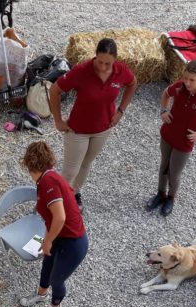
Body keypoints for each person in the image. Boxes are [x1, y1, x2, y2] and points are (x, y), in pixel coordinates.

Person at [49, 38, 137, 208]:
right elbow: (55, 90)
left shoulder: (121, 70)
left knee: (86, 164)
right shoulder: (82, 71)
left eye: (108, 64)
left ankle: (75, 193)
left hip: (103, 129)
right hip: (77, 130)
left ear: (115, 60)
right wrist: (58, 120)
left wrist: (121, 111)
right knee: (70, 171)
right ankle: (58, 204)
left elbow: (132, 83)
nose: (103, 67)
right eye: (100, 62)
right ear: (95, 56)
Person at [18, 141, 88, 307]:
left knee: (58, 278)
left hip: (74, 242)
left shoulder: (48, 182)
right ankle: (41, 295)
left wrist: (48, 241)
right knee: (47, 265)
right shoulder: (48, 177)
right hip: (59, 236)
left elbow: (60, 217)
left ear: (30, 164)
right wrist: (48, 239)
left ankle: (55, 306)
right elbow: (51, 218)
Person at [145, 60, 196, 217]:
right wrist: (163, 110)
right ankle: (160, 194)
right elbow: (166, 94)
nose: (187, 83)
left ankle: (171, 198)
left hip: (184, 142)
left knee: (174, 172)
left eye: (192, 80)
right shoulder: (180, 86)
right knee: (164, 166)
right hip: (167, 134)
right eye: (185, 78)